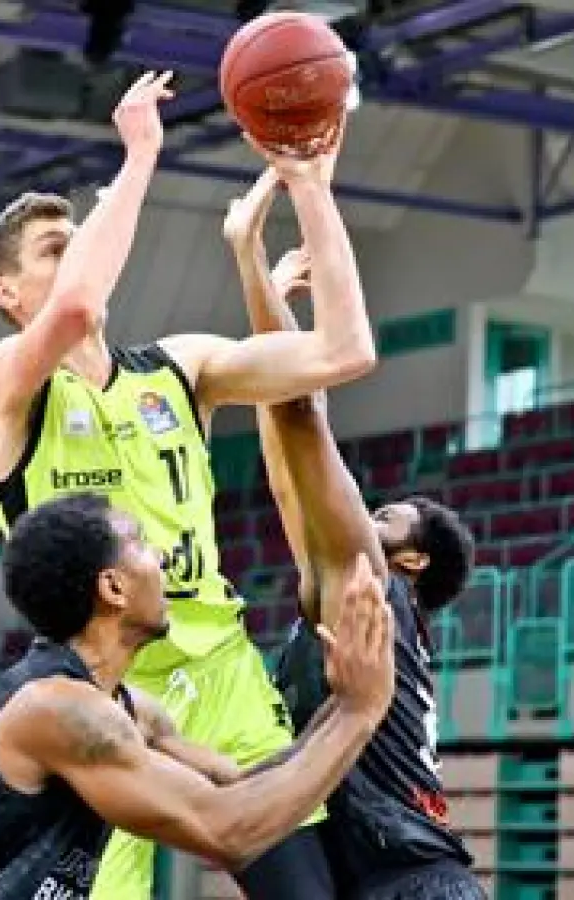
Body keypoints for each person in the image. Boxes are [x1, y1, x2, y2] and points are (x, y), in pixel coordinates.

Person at [0, 68, 373, 900]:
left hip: (220, 668)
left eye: (80, 239)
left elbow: (343, 350)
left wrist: (307, 184)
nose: (79, 255)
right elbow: (76, 311)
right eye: (57, 248)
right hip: (102, 689)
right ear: (5, 293)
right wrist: (141, 154)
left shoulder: (178, 369)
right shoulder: (9, 383)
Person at [0, 492, 395, 899]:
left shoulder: (122, 707)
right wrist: (358, 712)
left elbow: (237, 787)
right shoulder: (56, 711)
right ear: (113, 588)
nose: (165, 558)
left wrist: (343, 702)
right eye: (144, 546)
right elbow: (227, 833)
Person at [222, 169, 486, 898]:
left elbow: (304, 419)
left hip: (416, 883)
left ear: (410, 559)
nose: (365, 515)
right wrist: (251, 266)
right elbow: (287, 466)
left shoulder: (379, 601)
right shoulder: (349, 605)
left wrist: (295, 209)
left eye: (384, 519)